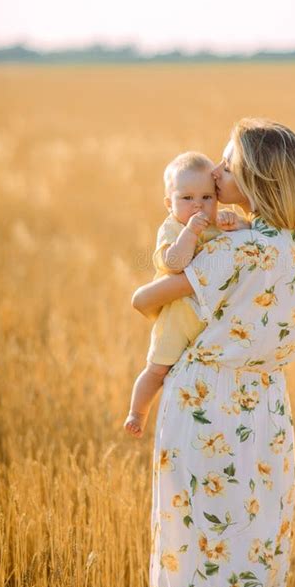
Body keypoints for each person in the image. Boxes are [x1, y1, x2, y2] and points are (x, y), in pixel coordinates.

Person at [131, 117, 295, 587]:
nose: (218, 172)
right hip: (267, 406)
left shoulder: (238, 250)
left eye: (228, 163)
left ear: (256, 179)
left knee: (204, 546)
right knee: (259, 536)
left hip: (208, 402)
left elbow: (144, 300)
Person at [124, 151, 249, 438]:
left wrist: (238, 224)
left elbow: (243, 242)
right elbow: (175, 263)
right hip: (178, 317)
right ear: (170, 203)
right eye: (187, 198)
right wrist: (190, 233)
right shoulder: (172, 228)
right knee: (157, 370)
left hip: (208, 322)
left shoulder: (218, 222)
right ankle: (137, 412)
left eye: (207, 198)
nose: (198, 206)